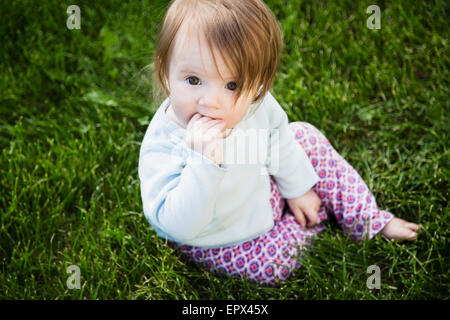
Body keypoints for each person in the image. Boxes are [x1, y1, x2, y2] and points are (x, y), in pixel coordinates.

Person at [138, 0, 420, 285]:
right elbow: (179, 227)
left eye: (232, 85)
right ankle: (317, 215)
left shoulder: (254, 105)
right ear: (165, 72)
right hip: (221, 238)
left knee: (304, 136)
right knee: (273, 267)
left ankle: (367, 217)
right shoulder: (163, 145)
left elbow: (278, 139)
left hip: (261, 192)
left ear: (258, 85)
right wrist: (204, 161)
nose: (211, 102)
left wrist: (297, 187)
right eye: (193, 80)